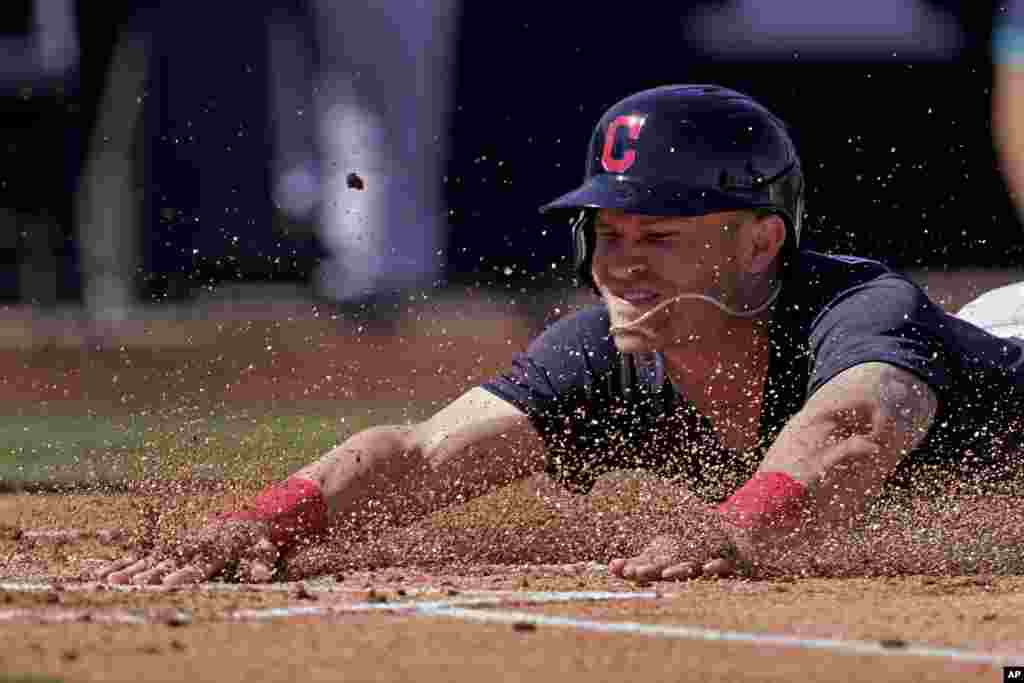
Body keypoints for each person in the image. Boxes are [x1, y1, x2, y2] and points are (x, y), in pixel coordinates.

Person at [95, 85, 1024, 586]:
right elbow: (420, 456)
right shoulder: (608, 351)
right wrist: (264, 521)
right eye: (608, 236)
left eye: (659, 237)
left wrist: (737, 529)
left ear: (759, 240)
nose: (621, 265)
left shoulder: (863, 311)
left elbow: (853, 432)